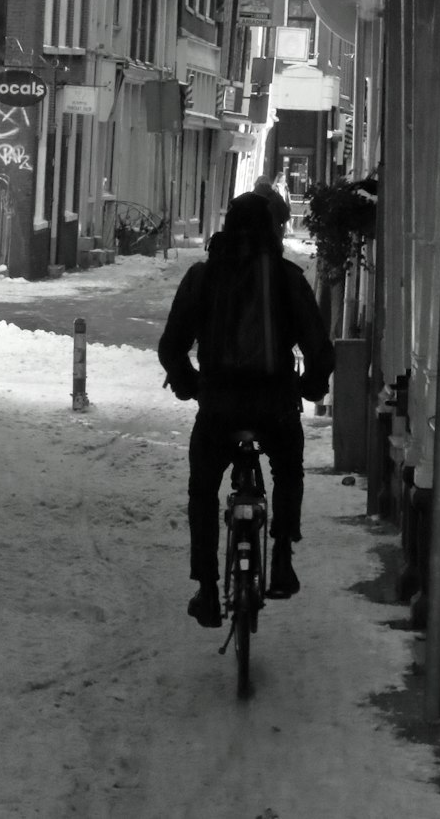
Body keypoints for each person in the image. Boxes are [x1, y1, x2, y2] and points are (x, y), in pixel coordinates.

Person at [158, 192, 334, 628]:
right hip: (274, 405)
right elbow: (319, 349)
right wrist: (308, 386)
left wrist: (190, 385)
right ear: (273, 232)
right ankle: (281, 559)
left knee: (203, 490)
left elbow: (171, 347)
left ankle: (206, 588)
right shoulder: (289, 279)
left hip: (219, 406)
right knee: (288, 470)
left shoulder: (203, 277)